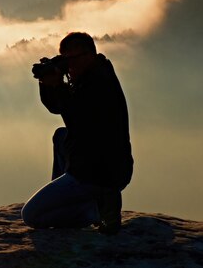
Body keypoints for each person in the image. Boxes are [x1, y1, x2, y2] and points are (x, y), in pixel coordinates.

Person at [21, 32, 133, 234]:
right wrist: (47, 84)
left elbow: (78, 118)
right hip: (98, 161)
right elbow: (57, 108)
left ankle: (93, 212)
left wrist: (59, 85)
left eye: (72, 58)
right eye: (65, 58)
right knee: (61, 135)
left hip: (99, 172)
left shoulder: (99, 83)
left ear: (89, 55)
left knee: (30, 216)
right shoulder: (93, 74)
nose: (68, 64)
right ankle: (78, 202)